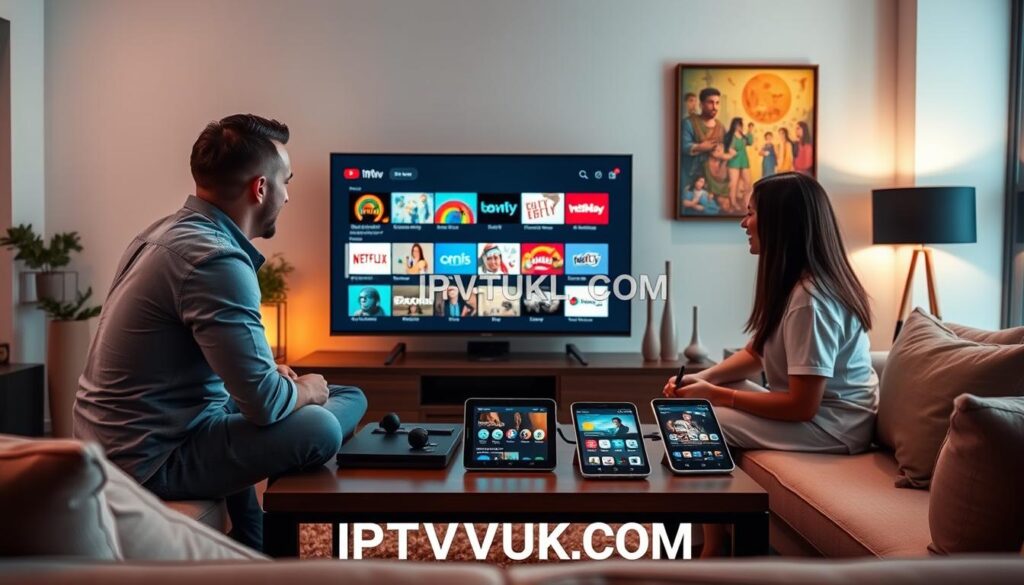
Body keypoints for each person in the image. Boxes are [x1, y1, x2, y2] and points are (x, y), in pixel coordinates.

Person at [73, 114, 368, 551]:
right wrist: (302, 392)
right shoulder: (216, 260)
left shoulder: (161, 233)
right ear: (261, 188)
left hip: (122, 440)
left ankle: (253, 539)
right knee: (321, 426)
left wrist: (276, 380)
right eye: (286, 182)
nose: (288, 196)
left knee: (340, 395)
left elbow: (236, 383)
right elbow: (265, 406)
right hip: (150, 459)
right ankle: (271, 538)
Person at [661, 171, 877, 557]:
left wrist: (717, 397)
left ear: (781, 223)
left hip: (835, 427)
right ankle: (710, 540)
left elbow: (801, 405)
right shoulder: (794, 285)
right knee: (697, 406)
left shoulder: (811, 299)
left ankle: (710, 549)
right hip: (819, 417)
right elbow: (755, 356)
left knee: (691, 424)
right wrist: (700, 380)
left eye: (750, 213)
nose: (743, 223)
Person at [680, 88, 725, 200]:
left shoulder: (720, 126)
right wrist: (701, 147)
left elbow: (725, 149)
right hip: (693, 175)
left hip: (716, 174)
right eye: (710, 102)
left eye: (717, 103)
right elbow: (683, 146)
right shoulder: (689, 123)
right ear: (701, 104)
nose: (715, 107)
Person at [723, 117, 754, 213]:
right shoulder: (731, 136)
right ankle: (733, 203)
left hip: (744, 161)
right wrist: (731, 151)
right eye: (738, 124)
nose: (740, 127)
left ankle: (747, 203)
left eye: (741, 125)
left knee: (748, 183)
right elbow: (729, 148)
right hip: (734, 162)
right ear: (735, 125)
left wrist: (750, 131)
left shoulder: (743, 136)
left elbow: (750, 142)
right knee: (733, 184)